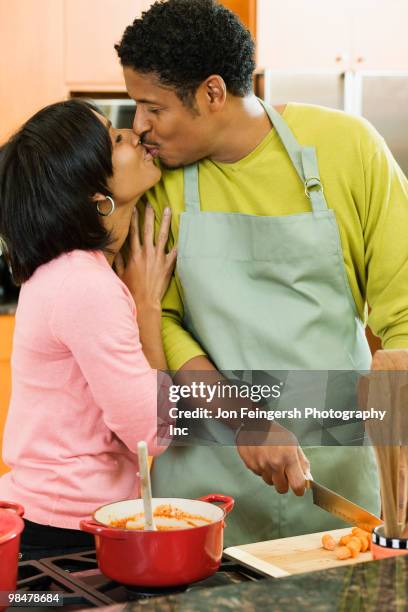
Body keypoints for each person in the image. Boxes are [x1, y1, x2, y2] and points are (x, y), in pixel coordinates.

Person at [115, 0, 408, 546]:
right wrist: (244, 420)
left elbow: (405, 313)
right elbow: (159, 320)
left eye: (152, 107)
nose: (141, 127)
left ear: (212, 93)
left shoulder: (349, 149)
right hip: (203, 487)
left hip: (335, 475)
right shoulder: (158, 182)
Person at [0, 99, 176, 560]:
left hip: (44, 514)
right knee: (38, 603)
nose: (133, 134)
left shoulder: (65, 272)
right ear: (99, 199)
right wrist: (147, 307)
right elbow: (153, 431)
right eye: (114, 141)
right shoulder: (86, 285)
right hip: (64, 533)